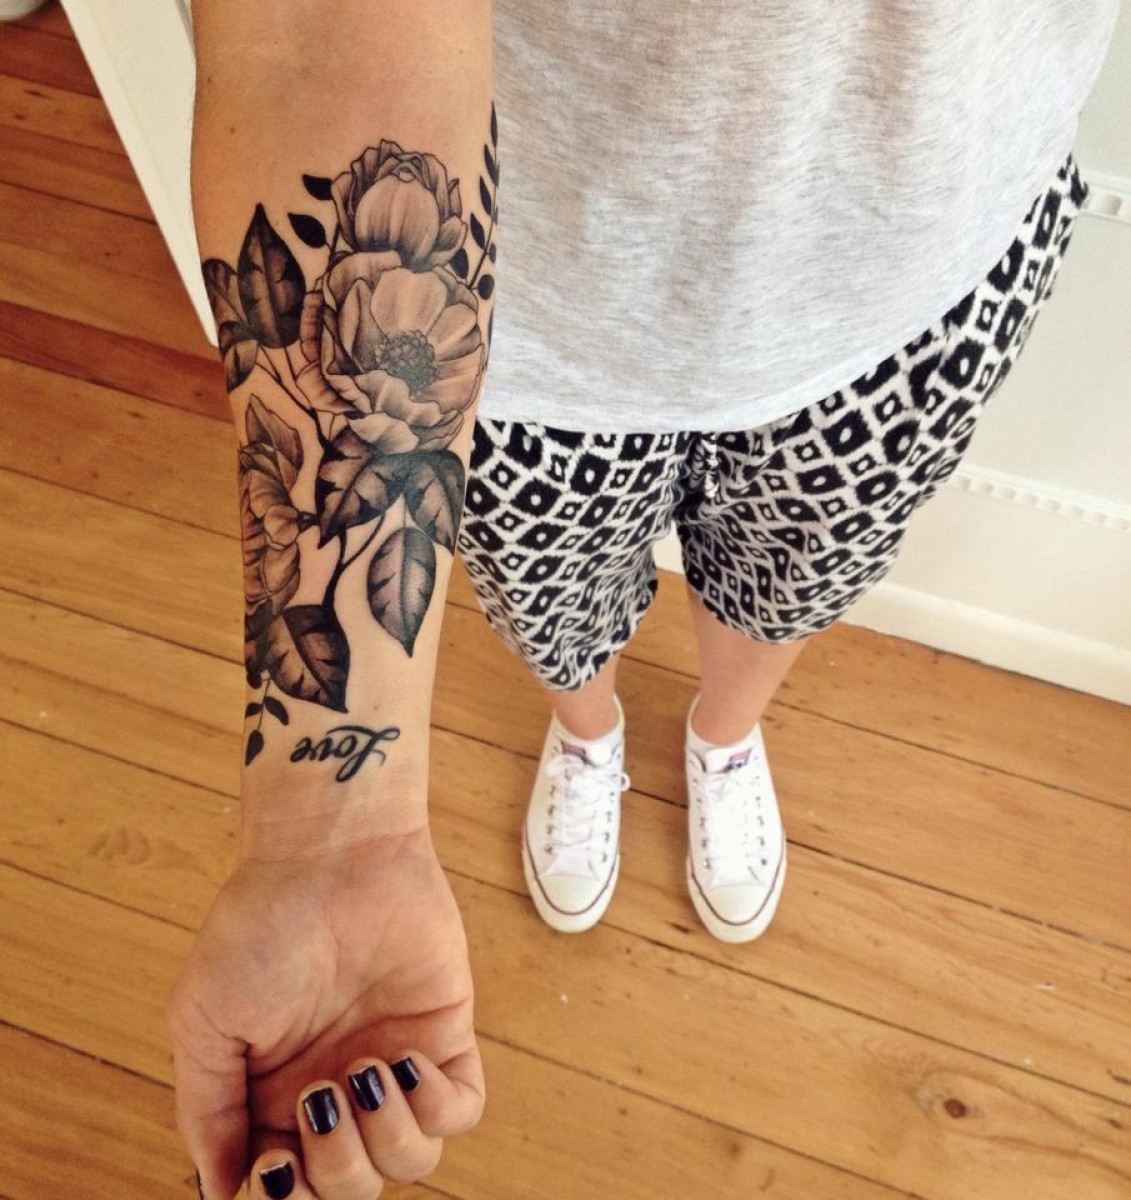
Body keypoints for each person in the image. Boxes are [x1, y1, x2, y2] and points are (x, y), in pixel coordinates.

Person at [166, 2, 1119, 1196]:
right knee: (550, 608)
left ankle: (725, 739)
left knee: (792, 587)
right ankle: (590, 738)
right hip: (517, 321)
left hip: (919, 262)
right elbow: (319, 37)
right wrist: (331, 831)